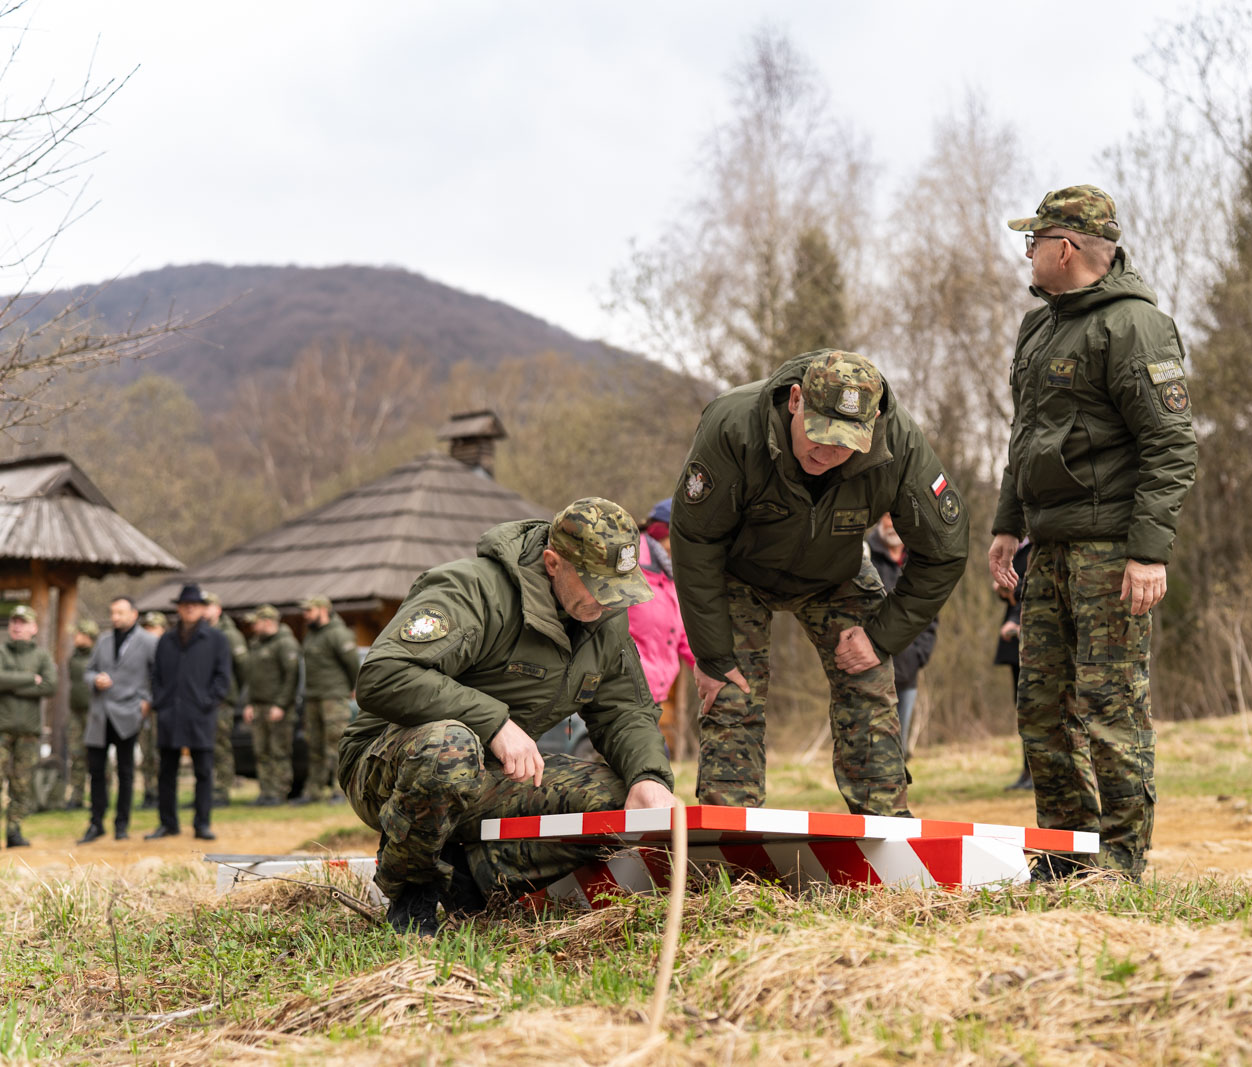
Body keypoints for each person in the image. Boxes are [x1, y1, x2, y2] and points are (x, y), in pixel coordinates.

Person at [343, 497, 677, 935]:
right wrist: (494, 723)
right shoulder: (474, 590)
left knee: (619, 802)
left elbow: (625, 710)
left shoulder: (603, 618)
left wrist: (648, 777)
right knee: (451, 748)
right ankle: (412, 887)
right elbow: (384, 675)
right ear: (552, 562)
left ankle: (475, 877)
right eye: (596, 584)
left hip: (492, 776)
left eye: (618, 588)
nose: (607, 601)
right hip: (389, 767)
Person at [989, 186, 1198, 880]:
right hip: (1046, 547)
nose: (1027, 252)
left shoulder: (1135, 327)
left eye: (1034, 240)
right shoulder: (1039, 328)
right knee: (1042, 707)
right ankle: (1066, 854)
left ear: (1066, 248)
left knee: (1111, 705)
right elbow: (1024, 439)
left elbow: (1170, 447)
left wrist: (1147, 552)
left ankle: (1123, 860)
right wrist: (1005, 526)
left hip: (1111, 549)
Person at [670, 349, 969, 816]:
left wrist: (882, 635)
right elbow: (694, 538)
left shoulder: (900, 445)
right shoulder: (733, 426)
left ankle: (885, 822)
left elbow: (945, 549)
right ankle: (728, 832)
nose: (828, 454)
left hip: (837, 572)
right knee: (731, 691)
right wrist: (711, 653)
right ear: (795, 401)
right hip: (739, 571)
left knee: (868, 677)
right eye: (820, 434)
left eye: (846, 442)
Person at [146, 584, 231, 841]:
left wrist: (208, 701)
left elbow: (223, 678)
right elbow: (156, 675)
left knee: (203, 771)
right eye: (185, 605)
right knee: (166, 772)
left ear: (203, 609)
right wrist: (160, 701)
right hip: (170, 714)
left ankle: (202, 824)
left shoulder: (217, 640)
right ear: (179, 609)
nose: (190, 609)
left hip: (201, 715)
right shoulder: (167, 640)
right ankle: (168, 823)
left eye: (194, 605)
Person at [81, 596, 158, 844]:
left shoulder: (148, 642)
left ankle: (121, 824)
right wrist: (95, 680)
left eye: (121, 612)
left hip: (128, 714)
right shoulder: (103, 641)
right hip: (100, 715)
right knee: (96, 772)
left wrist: (146, 701)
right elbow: (88, 671)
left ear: (134, 614)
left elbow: (158, 676)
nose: (115, 617)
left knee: (125, 772)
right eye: (113, 612)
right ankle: (96, 823)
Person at [0, 604, 55, 852]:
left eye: (23, 622)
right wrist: (28, 678)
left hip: (29, 732)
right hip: (0, 731)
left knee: (22, 784)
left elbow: (49, 686)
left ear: (33, 627)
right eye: (14, 621)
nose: (17, 626)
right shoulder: (0, 651)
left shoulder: (42, 656)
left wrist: (11, 685)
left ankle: (14, 831)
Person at [865, 514, 939, 757]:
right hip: (870, 669)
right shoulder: (863, 554)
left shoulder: (918, 557)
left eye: (897, 516)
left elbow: (929, 611)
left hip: (908, 670)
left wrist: (920, 654)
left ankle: (898, 792)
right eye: (887, 517)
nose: (893, 524)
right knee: (872, 748)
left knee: (900, 749)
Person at [626, 497, 694, 754]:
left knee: (652, 762)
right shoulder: (630, 569)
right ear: (662, 533)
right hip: (625, 691)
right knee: (654, 757)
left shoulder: (671, 578)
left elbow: (683, 636)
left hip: (654, 697)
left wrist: (714, 668)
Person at [298, 595, 359, 805]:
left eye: (309, 610)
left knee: (336, 745)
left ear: (323, 609)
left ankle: (340, 791)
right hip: (313, 696)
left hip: (334, 696)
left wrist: (354, 685)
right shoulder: (312, 634)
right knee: (314, 745)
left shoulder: (338, 634)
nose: (305, 615)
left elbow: (352, 663)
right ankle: (313, 791)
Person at [243, 605, 301, 806]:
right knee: (261, 751)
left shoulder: (285, 643)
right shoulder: (256, 644)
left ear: (267, 621)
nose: (253, 626)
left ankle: (279, 792)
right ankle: (265, 791)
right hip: (258, 706)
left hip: (277, 707)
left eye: (256, 622)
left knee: (279, 750)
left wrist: (281, 704)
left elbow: (291, 677)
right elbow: (252, 678)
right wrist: (249, 702)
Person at [994, 538, 1035, 791]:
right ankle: (1027, 772)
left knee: (1036, 708)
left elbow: (1032, 587)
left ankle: (1037, 774)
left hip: (1032, 632)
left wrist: (1014, 592)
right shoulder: (1014, 547)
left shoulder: (1036, 547)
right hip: (1015, 640)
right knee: (1023, 709)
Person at [204, 593, 248, 807]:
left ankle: (221, 791)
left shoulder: (230, 635)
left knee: (221, 745)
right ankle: (207, 790)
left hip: (222, 700)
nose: (204, 610)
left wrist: (232, 693)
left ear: (218, 609)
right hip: (201, 700)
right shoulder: (199, 632)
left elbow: (243, 668)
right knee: (205, 747)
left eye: (208, 606)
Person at [63, 619, 100, 810]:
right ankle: (76, 796)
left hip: (93, 713)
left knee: (96, 756)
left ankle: (100, 795)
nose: (75, 637)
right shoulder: (74, 657)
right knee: (75, 754)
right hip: (75, 712)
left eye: (78, 634)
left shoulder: (98, 656)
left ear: (88, 636)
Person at [137, 610, 168, 805]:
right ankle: (149, 791)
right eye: (146, 629)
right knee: (145, 751)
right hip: (142, 708)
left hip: (161, 709)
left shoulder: (168, 651)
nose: (150, 633)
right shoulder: (139, 652)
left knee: (160, 752)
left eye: (153, 629)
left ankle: (161, 792)